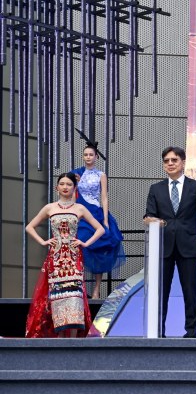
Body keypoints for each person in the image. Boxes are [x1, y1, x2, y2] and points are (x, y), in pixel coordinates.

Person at [144, 146, 196, 338]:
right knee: (161, 292)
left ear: (183, 163)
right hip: (163, 248)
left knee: (190, 291)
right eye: (166, 161)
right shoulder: (156, 189)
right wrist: (149, 219)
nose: (170, 164)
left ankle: (191, 332)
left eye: (174, 160)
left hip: (189, 247)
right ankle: (158, 331)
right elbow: (149, 214)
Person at [25, 172, 105, 337]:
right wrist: (43, 242)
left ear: (74, 188)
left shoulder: (79, 208)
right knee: (57, 296)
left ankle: (73, 340)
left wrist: (85, 243)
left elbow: (100, 229)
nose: (65, 187)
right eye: (62, 184)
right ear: (57, 188)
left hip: (74, 258)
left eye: (69, 184)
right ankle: (60, 339)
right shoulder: (49, 208)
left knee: (75, 295)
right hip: (56, 258)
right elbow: (29, 227)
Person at [73, 142, 126, 299]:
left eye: (91, 155)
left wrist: (105, 219)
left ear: (96, 157)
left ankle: (96, 289)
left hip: (96, 212)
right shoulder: (76, 173)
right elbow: (69, 193)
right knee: (78, 245)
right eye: (85, 155)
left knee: (100, 249)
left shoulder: (101, 175)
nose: (88, 157)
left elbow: (104, 198)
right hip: (80, 212)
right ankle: (80, 286)